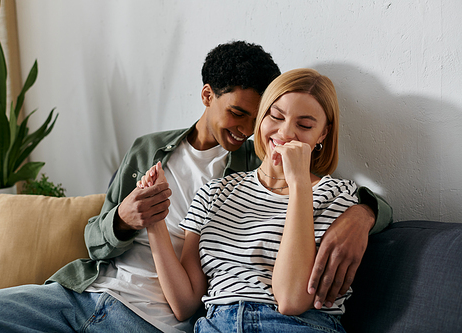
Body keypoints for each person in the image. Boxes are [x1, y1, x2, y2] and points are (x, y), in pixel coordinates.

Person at [0, 42, 390, 332]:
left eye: (255, 116)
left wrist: (365, 212)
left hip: (151, 319)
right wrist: (126, 220)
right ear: (207, 96)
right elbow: (93, 240)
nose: (248, 129)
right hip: (84, 291)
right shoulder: (150, 150)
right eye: (241, 113)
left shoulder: (264, 165)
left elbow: (333, 202)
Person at [141, 68, 358, 332]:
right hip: (217, 325)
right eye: (276, 116)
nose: (286, 133)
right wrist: (154, 219)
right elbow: (185, 303)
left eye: (305, 125)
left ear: (323, 134)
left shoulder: (337, 196)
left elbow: (290, 300)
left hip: (296, 325)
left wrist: (300, 183)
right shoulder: (215, 192)